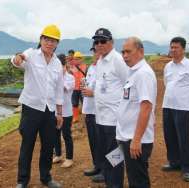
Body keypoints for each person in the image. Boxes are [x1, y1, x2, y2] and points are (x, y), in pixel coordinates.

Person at [11, 24, 64, 188]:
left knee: (48, 146)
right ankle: (22, 181)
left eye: (53, 40)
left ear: (57, 43)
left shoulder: (57, 64)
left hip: (49, 110)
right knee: (27, 144)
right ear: (40, 40)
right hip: (31, 109)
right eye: (46, 39)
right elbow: (18, 61)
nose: (49, 43)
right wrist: (18, 58)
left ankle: (46, 178)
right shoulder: (31, 54)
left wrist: (59, 113)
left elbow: (59, 90)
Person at [162, 37, 189, 182]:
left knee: (184, 139)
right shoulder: (168, 66)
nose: (173, 50)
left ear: (183, 49)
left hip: (183, 108)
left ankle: (187, 168)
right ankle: (174, 162)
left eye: (176, 47)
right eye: (172, 47)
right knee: (170, 136)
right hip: (167, 106)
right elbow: (166, 82)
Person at [117, 37, 157, 188]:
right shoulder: (133, 72)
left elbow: (146, 107)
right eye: (123, 52)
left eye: (128, 52)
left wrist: (136, 140)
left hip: (135, 140)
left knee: (138, 180)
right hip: (127, 136)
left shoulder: (143, 74)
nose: (125, 55)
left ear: (141, 51)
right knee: (133, 176)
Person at [92, 28, 129, 187]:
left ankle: (116, 185)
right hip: (100, 118)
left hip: (114, 119)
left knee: (115, 156)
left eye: (103, 41)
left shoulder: (118, 61)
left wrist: (125, 113)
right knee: (105, 155)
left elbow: (129, 86)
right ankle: (109, 183)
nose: (99, 44)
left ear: (111, 42)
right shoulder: (100, 61)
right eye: (96, 42)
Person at [53, 54, 75, 168]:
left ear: (65, 65)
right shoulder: (54, 76)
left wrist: (58, 77)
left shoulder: (70, 78)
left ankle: (69, 158)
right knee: (55, 134)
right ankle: (58, 154)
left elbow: (63, 88)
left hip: (66, 112)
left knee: (66, 135)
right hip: (55, 111)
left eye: (61, 65)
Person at [82, 46, 101, 177]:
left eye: (98, 51)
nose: (95, 53)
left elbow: (113, 91)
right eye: (94, 51)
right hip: (89, 110)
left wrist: (93, 93)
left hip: (101, 113)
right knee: (93, 142)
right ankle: (97, 166)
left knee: (105, 144)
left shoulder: (106, 68)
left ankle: (108, 170)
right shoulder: (91, 68)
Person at [70, 51, 87, 124]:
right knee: (74, 103)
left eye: (78, 58)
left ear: (81, 59)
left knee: (85, 103)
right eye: (75, 59)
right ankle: (75, 117)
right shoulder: (71, 67)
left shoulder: (85, 66)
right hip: (74, 89)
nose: (76, 60)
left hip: (83, 88)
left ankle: (86, 117)